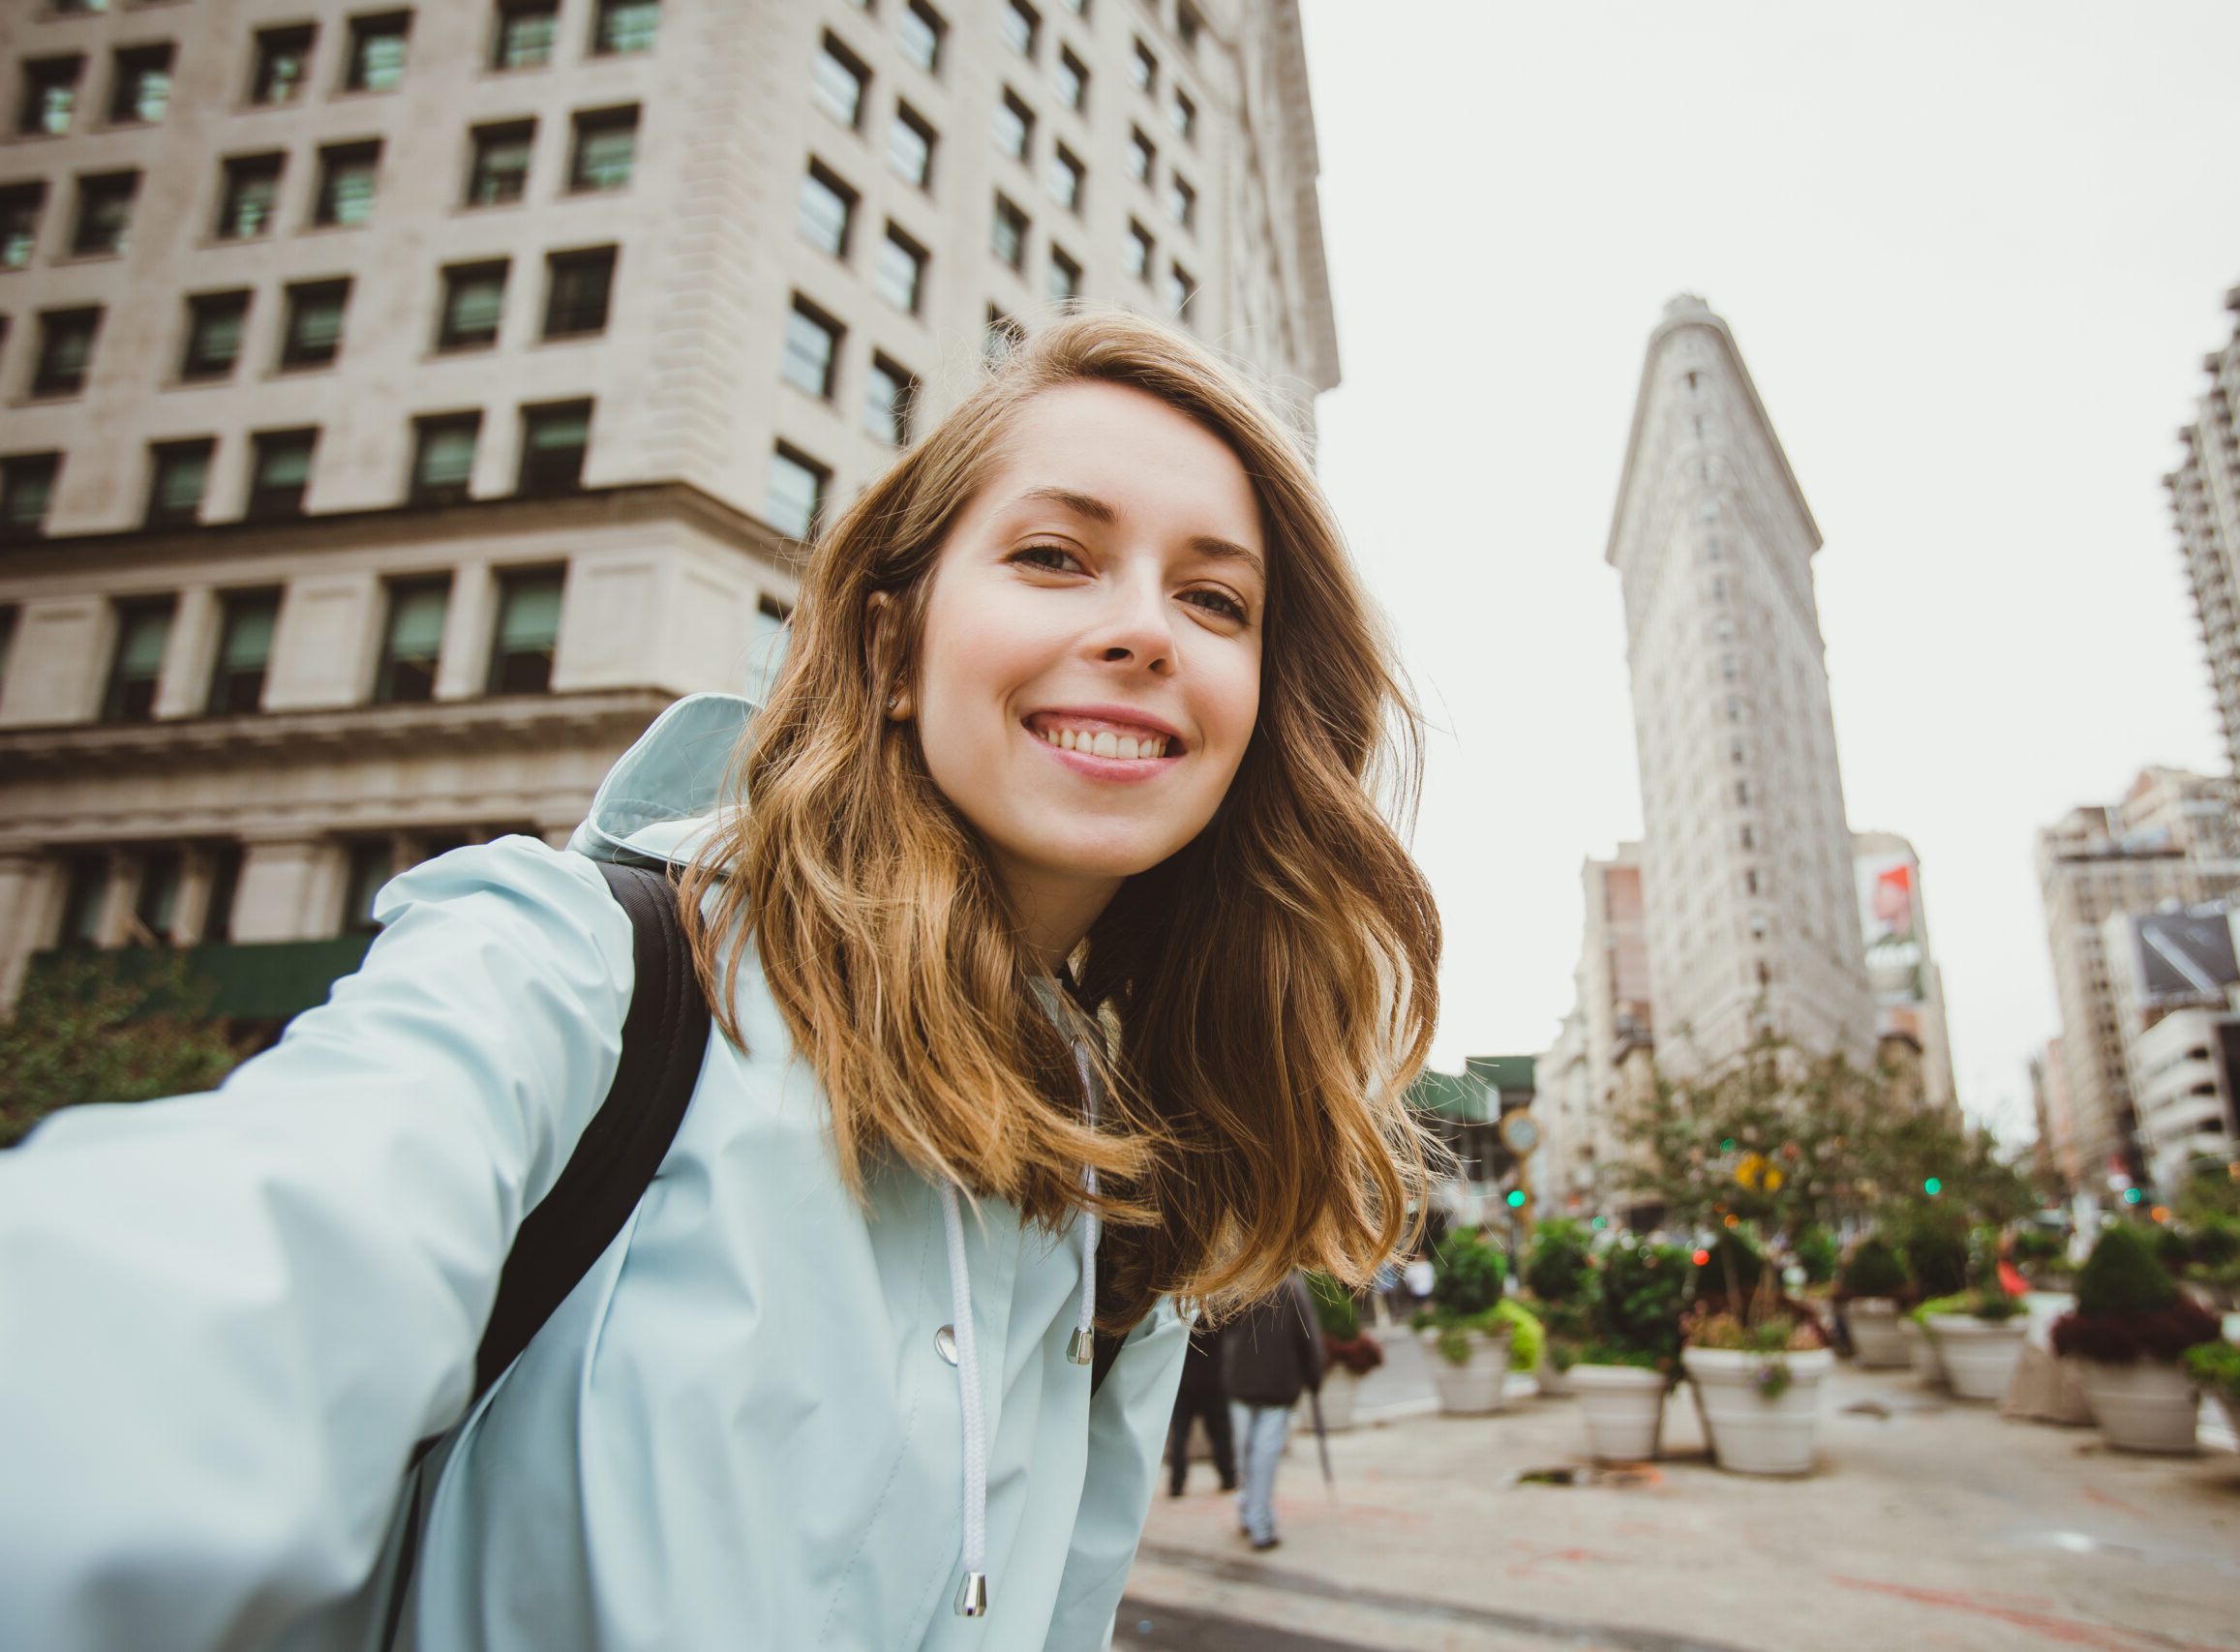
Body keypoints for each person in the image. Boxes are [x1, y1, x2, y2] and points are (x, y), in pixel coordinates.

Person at [0, 314, 1441, 1651]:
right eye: (1056, 557)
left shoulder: (1124, 1185)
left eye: (1214, 596)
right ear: (892, 645)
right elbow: (177, 1310)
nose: (1147, 629)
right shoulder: (572, 965)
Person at [1220, 1271, 1326, 1551]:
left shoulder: (1242, 1282)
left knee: (1246, 1453)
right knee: (1262, 1457)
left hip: (1245, 1383)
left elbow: (1218, 1328)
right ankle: (1259, 1522)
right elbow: (1310, 1338)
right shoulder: (1291, 1288)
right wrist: (1314, 1376)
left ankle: (1251, 1514)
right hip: (1273, 1385)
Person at [1164, 1325, 1236, 1497]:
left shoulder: (1184, 1311)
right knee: (1220, 1433)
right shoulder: (1218, 1310)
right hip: (1213, 1380)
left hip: (1185, 1380)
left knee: (1180, 1434)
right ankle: (1228, 1477)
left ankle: (1176, 1483)